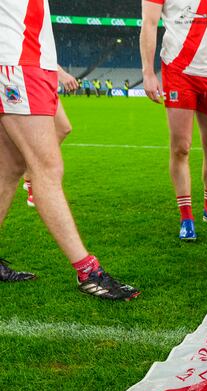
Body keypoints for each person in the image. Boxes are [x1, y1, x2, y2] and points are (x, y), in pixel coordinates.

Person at [0, 1, 139, 299]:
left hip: (30, 61)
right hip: (18, 62)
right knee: (46, 170)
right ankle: (89, 272)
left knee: (10, 169)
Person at [140, 0, 207, 242]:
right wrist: (148, 72)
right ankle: (186, 217)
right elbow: (150, 23)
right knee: (181, 148)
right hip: (178, 72)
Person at [23, 66, 77, 208]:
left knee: (64, 128)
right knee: (33, 136)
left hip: (46, 76)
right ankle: (32, 183)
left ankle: (29, 174)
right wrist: (63, 74)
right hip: (30, 73)